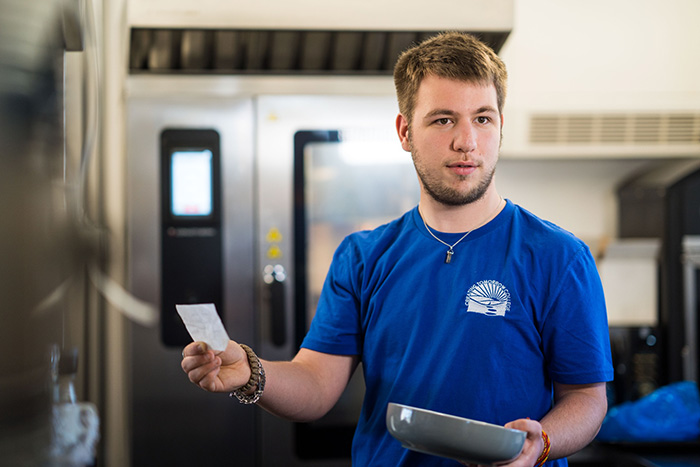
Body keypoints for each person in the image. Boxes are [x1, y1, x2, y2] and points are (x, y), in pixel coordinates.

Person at [181, 32, 613, 466]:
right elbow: (315, 384)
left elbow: (587, 399)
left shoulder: (559, 257)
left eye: (483, 119)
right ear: (405, 131)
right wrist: (251, 373)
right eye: (443, 120)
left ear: (501, 125)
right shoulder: (363, 256)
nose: (467, 141)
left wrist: (542, 443)